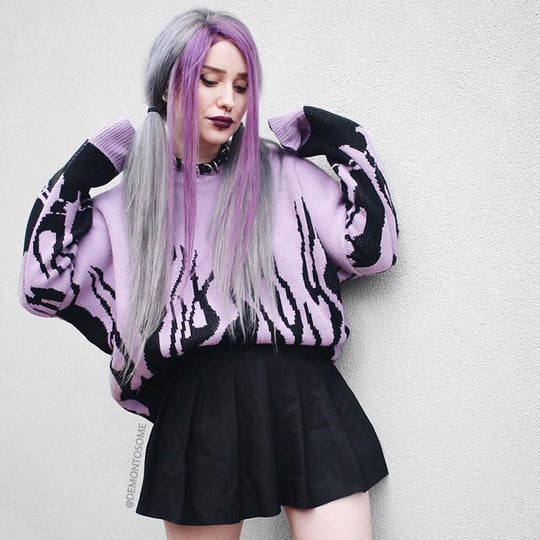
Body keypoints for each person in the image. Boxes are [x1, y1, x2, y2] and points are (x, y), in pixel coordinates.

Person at [19, 8, 398, 540]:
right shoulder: (128, 206)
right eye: (209, 80)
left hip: (302, 389)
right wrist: (82, 174)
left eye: (241, 86)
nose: (228, 101)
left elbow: (374, 250)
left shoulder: (284, 175)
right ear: (168, 84)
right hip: (198, 403)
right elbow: (41, 287)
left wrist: (338, 140)